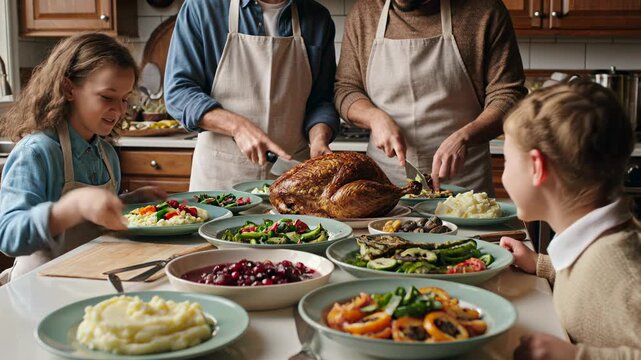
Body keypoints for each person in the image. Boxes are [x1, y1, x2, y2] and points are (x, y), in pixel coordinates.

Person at [0, 33, 166, 283]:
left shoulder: (106, 153)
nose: (120, 110)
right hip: (36, 289)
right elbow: (8, 237)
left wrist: (130, 202)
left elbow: (92, 223)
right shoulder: (36, 152)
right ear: (69, 89)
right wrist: (70, 208)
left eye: (124, 99)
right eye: (107, 97)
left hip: (87, 281)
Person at [499, 80, 641, 359]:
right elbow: (593, 284)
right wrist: (543, 266)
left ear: (537, 168)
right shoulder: (596, 249)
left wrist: (576, 356)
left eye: (506, 161)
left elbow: (612, 281)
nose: (504, 174)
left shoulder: (625, 273)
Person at [334, 0, 526, 193]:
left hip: (464, 187)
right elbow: (346, 88)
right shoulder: (364, 13)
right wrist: (374, 118)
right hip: (385, 185)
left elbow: (508, 95)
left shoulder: (484, 11)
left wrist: (465, 137)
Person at [164, 0, 340, 190]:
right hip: (221, 177)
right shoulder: (203, 8)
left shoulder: (318, 18)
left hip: (291, 176)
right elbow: (178, 91)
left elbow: (321, 100)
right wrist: (237, 127)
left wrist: (318, 137)